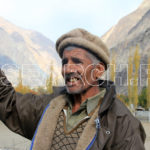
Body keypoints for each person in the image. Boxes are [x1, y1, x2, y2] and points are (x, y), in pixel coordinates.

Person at [0, 28, 146, 150]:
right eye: (64, 62)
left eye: (77, 61)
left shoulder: (123, 123)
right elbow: (9, 103)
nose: (68, 69)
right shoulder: (48, 106)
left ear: (98, 70)